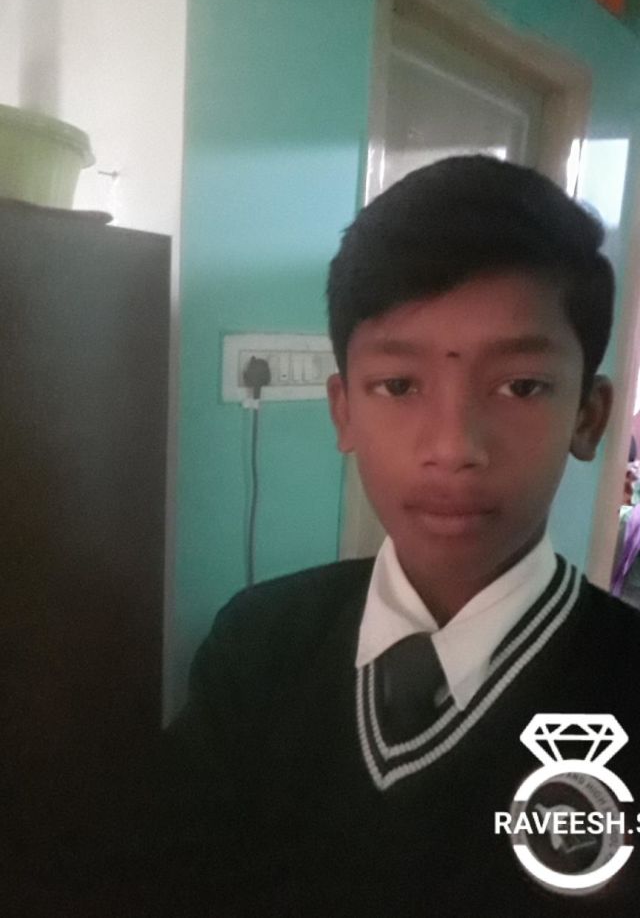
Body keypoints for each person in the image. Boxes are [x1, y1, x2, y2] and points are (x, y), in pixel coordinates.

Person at [157, 156, 640, 916]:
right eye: (399, 385)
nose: (453, 447)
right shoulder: (258, 646)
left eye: (522, 386)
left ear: (588, 416)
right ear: (343, 410)